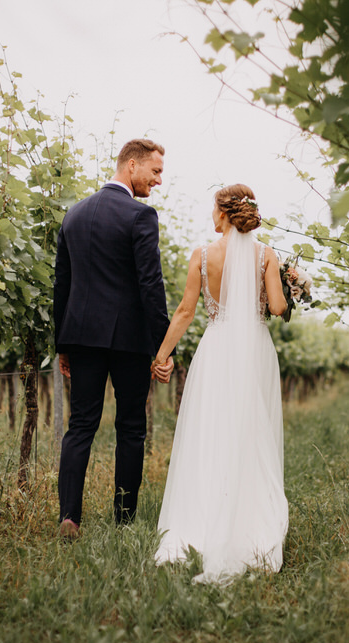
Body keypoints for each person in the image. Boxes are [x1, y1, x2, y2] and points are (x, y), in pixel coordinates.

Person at [150, 184, 288, 584]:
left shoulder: (202, 256)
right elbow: (277, 308)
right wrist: (290, 284)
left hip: (216, 349)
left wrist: (161, 356)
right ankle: (251, 519)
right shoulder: (267, 255)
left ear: (225, 213)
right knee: (251, 430)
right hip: (254, 349)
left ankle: (203, 516)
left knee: (211, 430)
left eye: (213, 208)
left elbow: (184, 312)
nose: (211, 216)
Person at [52, 138, 173, 540]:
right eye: (155, 171)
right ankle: (123, 519)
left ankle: (70, 516)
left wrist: (62, 345)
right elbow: (150, 285)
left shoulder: (74, 214)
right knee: (131, 427)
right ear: (132, 165)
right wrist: (163, 345)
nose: (158, 181)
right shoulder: (140, 216)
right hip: (128, 340)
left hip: (82, 337)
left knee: (80, 425)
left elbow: (62, 286)